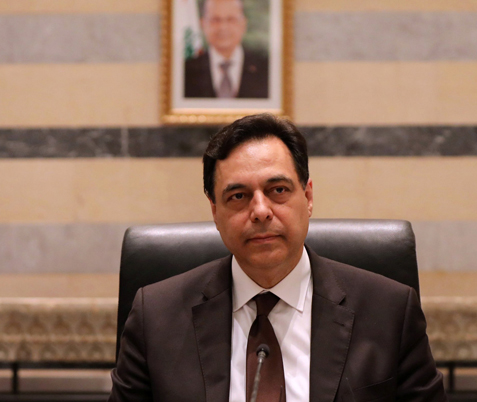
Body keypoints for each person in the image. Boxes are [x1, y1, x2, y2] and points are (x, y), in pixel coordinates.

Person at [109, 114, 447, 402]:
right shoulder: (156, 317)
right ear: (215, 211)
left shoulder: (389, 312)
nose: (260, 211)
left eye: (278, 190)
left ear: (308, 197)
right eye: (238, 196)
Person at [184, 0, 269, 99]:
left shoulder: (267, 70)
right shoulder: (185, 72)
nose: (223, 27)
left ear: (243, 24)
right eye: (215, 20)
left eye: (231, 19)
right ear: (203, 24)